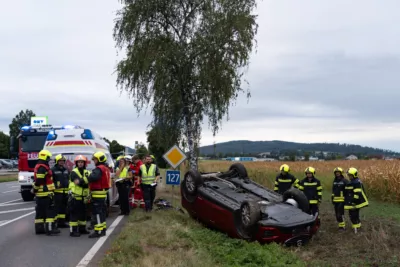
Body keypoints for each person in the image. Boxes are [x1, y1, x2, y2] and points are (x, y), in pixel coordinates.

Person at [33, 149, 60, 235]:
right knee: (50, 212)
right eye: (48, 158)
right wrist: (35, 189)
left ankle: (39, 229)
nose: (49, 160)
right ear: (44, 157)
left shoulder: (39, 166)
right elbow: (39, 180)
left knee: (40, 213)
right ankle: (50, 229)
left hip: (41, 194)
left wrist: (35, 189)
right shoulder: (42, 168)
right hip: (46, 193)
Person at [87, 151, 111, 238]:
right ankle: (103, 229)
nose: (94, 161)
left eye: (95, 159)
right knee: (102, 212)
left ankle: (98, 231)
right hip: (103, 193)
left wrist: (88, 177)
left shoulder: (99, 169)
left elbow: (94, 177)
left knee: (97, 213)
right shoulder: (105, 168)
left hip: (97, 193)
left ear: (99, 159)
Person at [69, 155, 91, 237]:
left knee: (83, 214)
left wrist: (82, 181)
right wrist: (85, 180)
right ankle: (73, 231)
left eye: (82, 162)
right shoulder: (73, 172)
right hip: (75, 196)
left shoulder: (87, 172)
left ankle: (82, 229)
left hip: (84, 197)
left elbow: (88, 181)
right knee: (74, 214)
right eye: (79, 162)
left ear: (84, 163)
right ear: (76, 163)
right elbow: (77, 182)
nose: (80, 164)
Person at [344, 167, 369, 234]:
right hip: (357, 202)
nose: (349, 176)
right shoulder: (356, 181)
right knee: (355, 214)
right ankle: (358, 226)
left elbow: (357, 193)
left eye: (350, 175)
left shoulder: (355, 182)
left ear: (354, 175)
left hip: (355, 202)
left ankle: (356, 229)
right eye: (348, 175)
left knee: (353, 215)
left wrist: (353, 202)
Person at [51, 154, 70, 228]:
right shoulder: (53, 170)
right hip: (57, 193)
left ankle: (62, 223)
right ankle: (55, 223)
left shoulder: (66, 170)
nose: (61, 162)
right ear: (57, 161)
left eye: (63, 161)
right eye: (60, 161)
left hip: (65, 193)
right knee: (56, 209)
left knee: (63, 208)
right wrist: (55, 186)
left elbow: (69, 179)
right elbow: (50, 181)